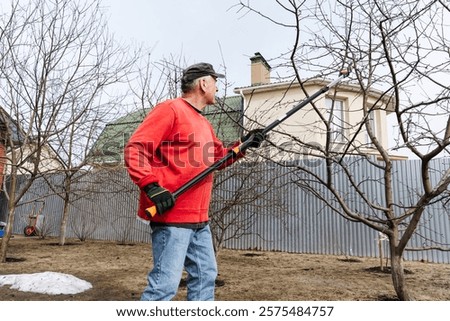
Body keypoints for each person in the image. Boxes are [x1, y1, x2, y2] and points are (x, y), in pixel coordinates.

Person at [124, 62, 265, 301]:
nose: (218, 88)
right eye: (215, 82)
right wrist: (151, 186)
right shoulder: (170, 110)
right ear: (203, 83)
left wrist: (243, 145)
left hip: (200, 220)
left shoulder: (203, 123)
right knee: (163, 287)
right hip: (173, 217)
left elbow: (218, 158)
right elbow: (135, 149)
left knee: (205, 277)